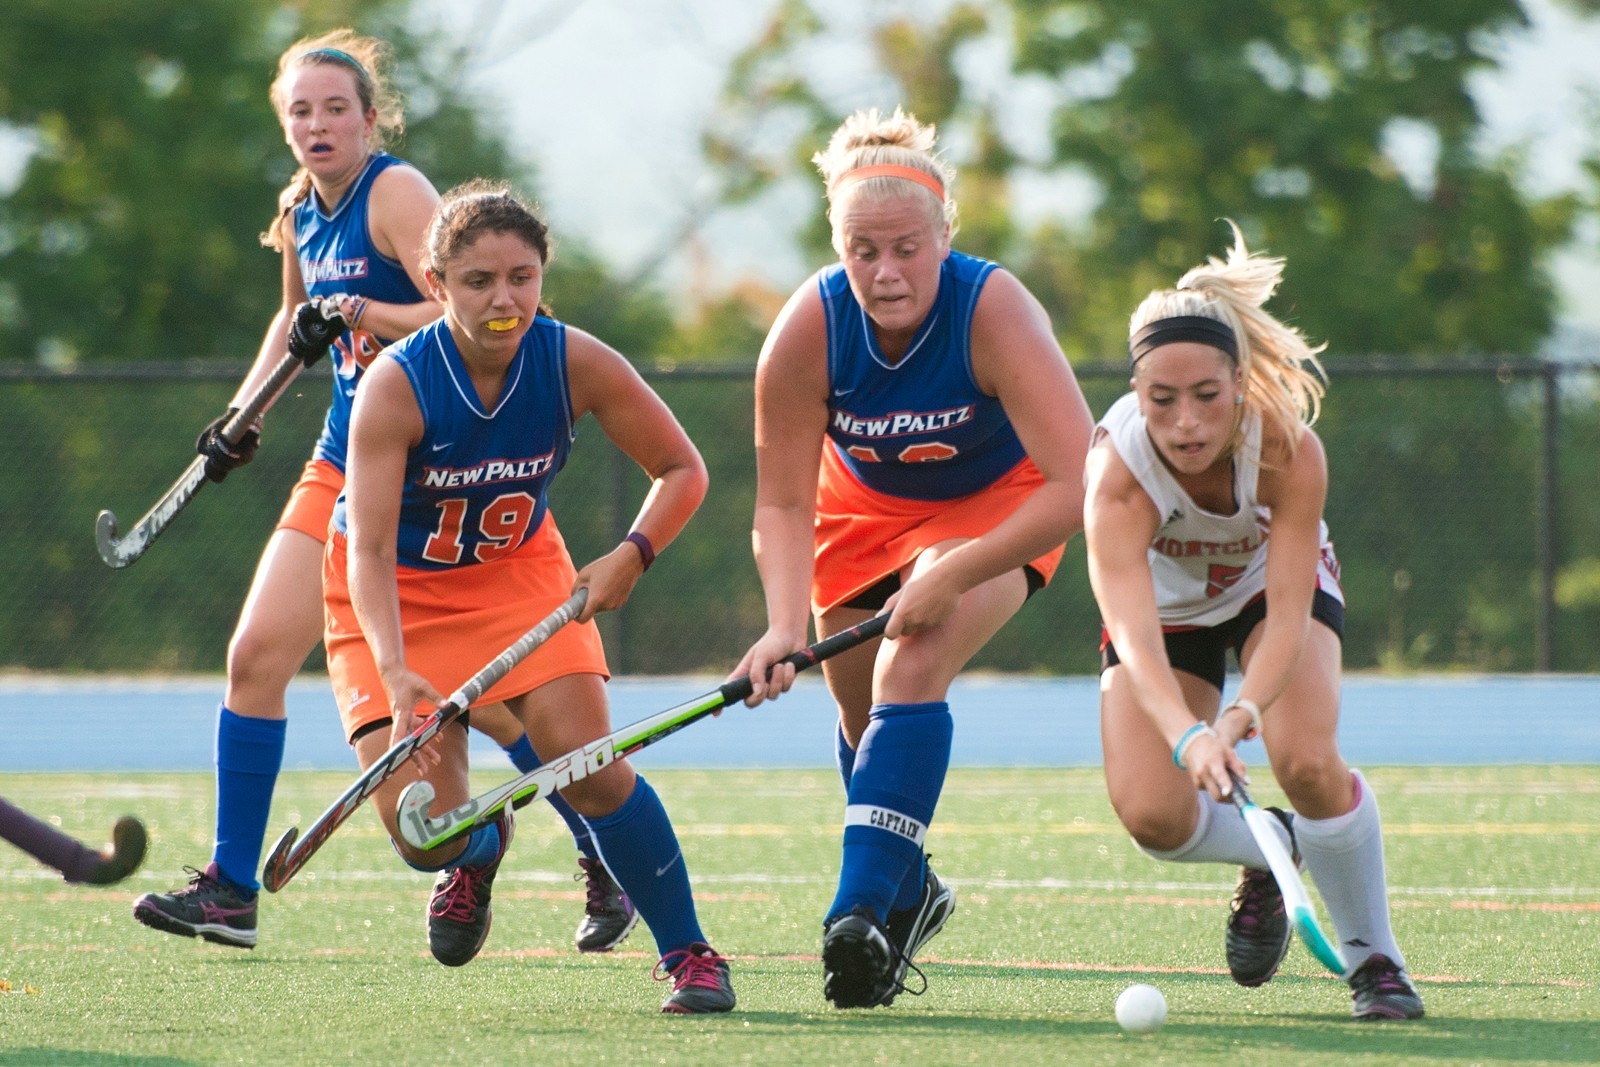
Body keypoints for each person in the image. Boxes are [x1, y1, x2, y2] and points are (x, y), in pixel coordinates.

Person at [132, 30, 635, 957]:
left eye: (336, 109)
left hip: (438, 461)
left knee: (489, 692)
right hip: (343, 457)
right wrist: (240, 416)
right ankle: (232, 888)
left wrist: (362, 312)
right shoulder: (300, 212)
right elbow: (293, 321)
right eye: (301, 111)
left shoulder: (395, 193)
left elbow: (475, 313)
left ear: (372, 119)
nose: (318, 125)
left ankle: (597, 837)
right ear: (284, 126)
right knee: (254, 657)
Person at [322, 178, 733, 1014]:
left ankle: (690, 952)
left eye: (522, 276)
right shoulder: (395, 385)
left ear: (544, 275)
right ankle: (478, 847)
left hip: (519, 579)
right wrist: (396, 670)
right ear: (436, 286)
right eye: (478, 282)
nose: (504, 298)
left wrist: (633, 553)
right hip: (392, 598)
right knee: (421, 831)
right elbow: (365, 545)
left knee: (591, 772)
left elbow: (683, 468)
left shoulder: (573, 359)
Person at [732, 107, 1093, 1009]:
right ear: (836, 246)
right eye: (863, 251)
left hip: (1001, 505)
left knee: (912, 665)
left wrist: (958, 568)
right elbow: (780, 500)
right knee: (860, 721)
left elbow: (1079, 479)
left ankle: (856, 919)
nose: (885, 273)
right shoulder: (808, 328)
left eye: (905, 248)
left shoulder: (994, 307)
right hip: (856, 514)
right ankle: (909, 889)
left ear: (944, 237)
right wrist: (781, 624)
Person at [1083, 223, 1425, 1021]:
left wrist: (1238, 716)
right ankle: (1278, 848)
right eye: (1161, 400)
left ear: (1239, 381)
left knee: (1304, 759)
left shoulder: (1286, 447)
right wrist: (1187, 735)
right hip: (1166, 615)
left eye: (1207, 395)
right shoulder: (1115, 477)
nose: (1187, 423)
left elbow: (1291, 607)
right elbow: (1130, 634)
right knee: (1153, 816)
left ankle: (1376, 964)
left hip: (1266, 592)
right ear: (1136, 393)